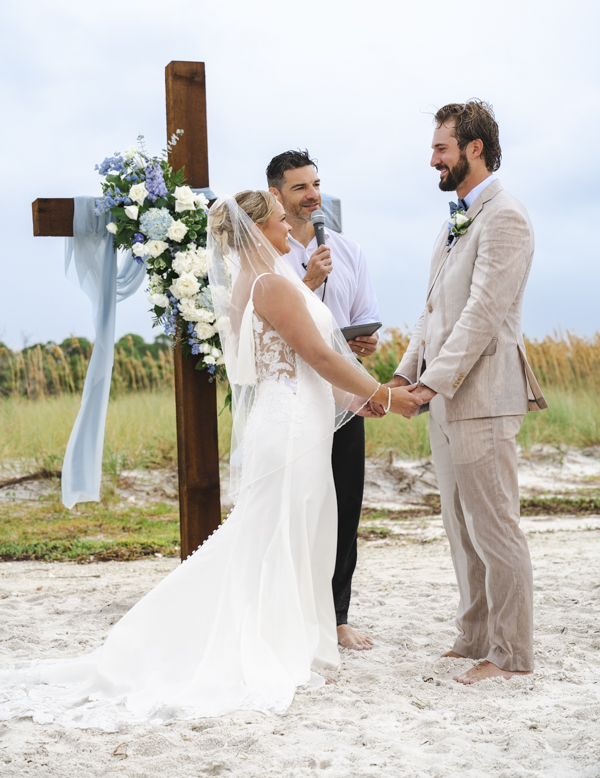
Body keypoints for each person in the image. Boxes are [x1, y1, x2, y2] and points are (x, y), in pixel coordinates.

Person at [0, 192, 417, 728]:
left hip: (292, 418)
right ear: (256, 229)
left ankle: (289, 633)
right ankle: (259, 641)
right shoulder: (270, 285)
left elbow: (299, 366)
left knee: (286, 531)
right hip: (288, 428)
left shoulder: (257, 283)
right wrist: (383, 394)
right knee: (273, 532)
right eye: (279, 218)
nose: (289, 225)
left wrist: (359, 401)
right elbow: (318, 356)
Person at [383, 102, 548, 684]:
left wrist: (429, 385)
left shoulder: (507, 218)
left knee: (495, 525)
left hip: (484, 395)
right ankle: (474, 633)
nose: (433, 160)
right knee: (459, 523)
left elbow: (481, 316)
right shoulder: (455, 221)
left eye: (441, 149)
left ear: (474, 148)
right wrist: (406, 375)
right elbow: (432, 315)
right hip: (445, 396)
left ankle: (510, 655)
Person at [267, 150, 379, 652]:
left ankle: (336, 617)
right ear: (277, 195)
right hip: (293, 404)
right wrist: (309, 280)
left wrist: (364, 343)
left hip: (343, 401)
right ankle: (286, 612)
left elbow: (364, 319)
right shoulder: (268, 255)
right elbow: (274, 329)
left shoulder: (350, 251)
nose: (312, 195)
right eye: (299, 188)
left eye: (315, 185)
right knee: (294, 508)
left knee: (344, 509)